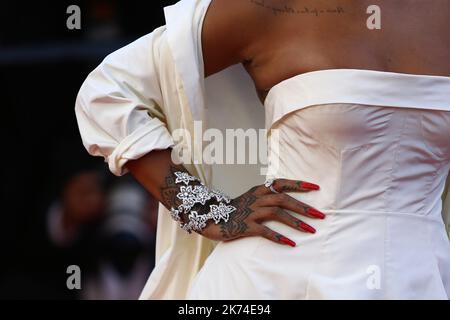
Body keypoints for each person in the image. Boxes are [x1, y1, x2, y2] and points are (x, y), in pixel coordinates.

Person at [75, 0, 450, 299]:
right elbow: (108, 93)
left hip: (424, 278)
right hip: (275, 277)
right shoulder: (270, 7)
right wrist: (204, 209)